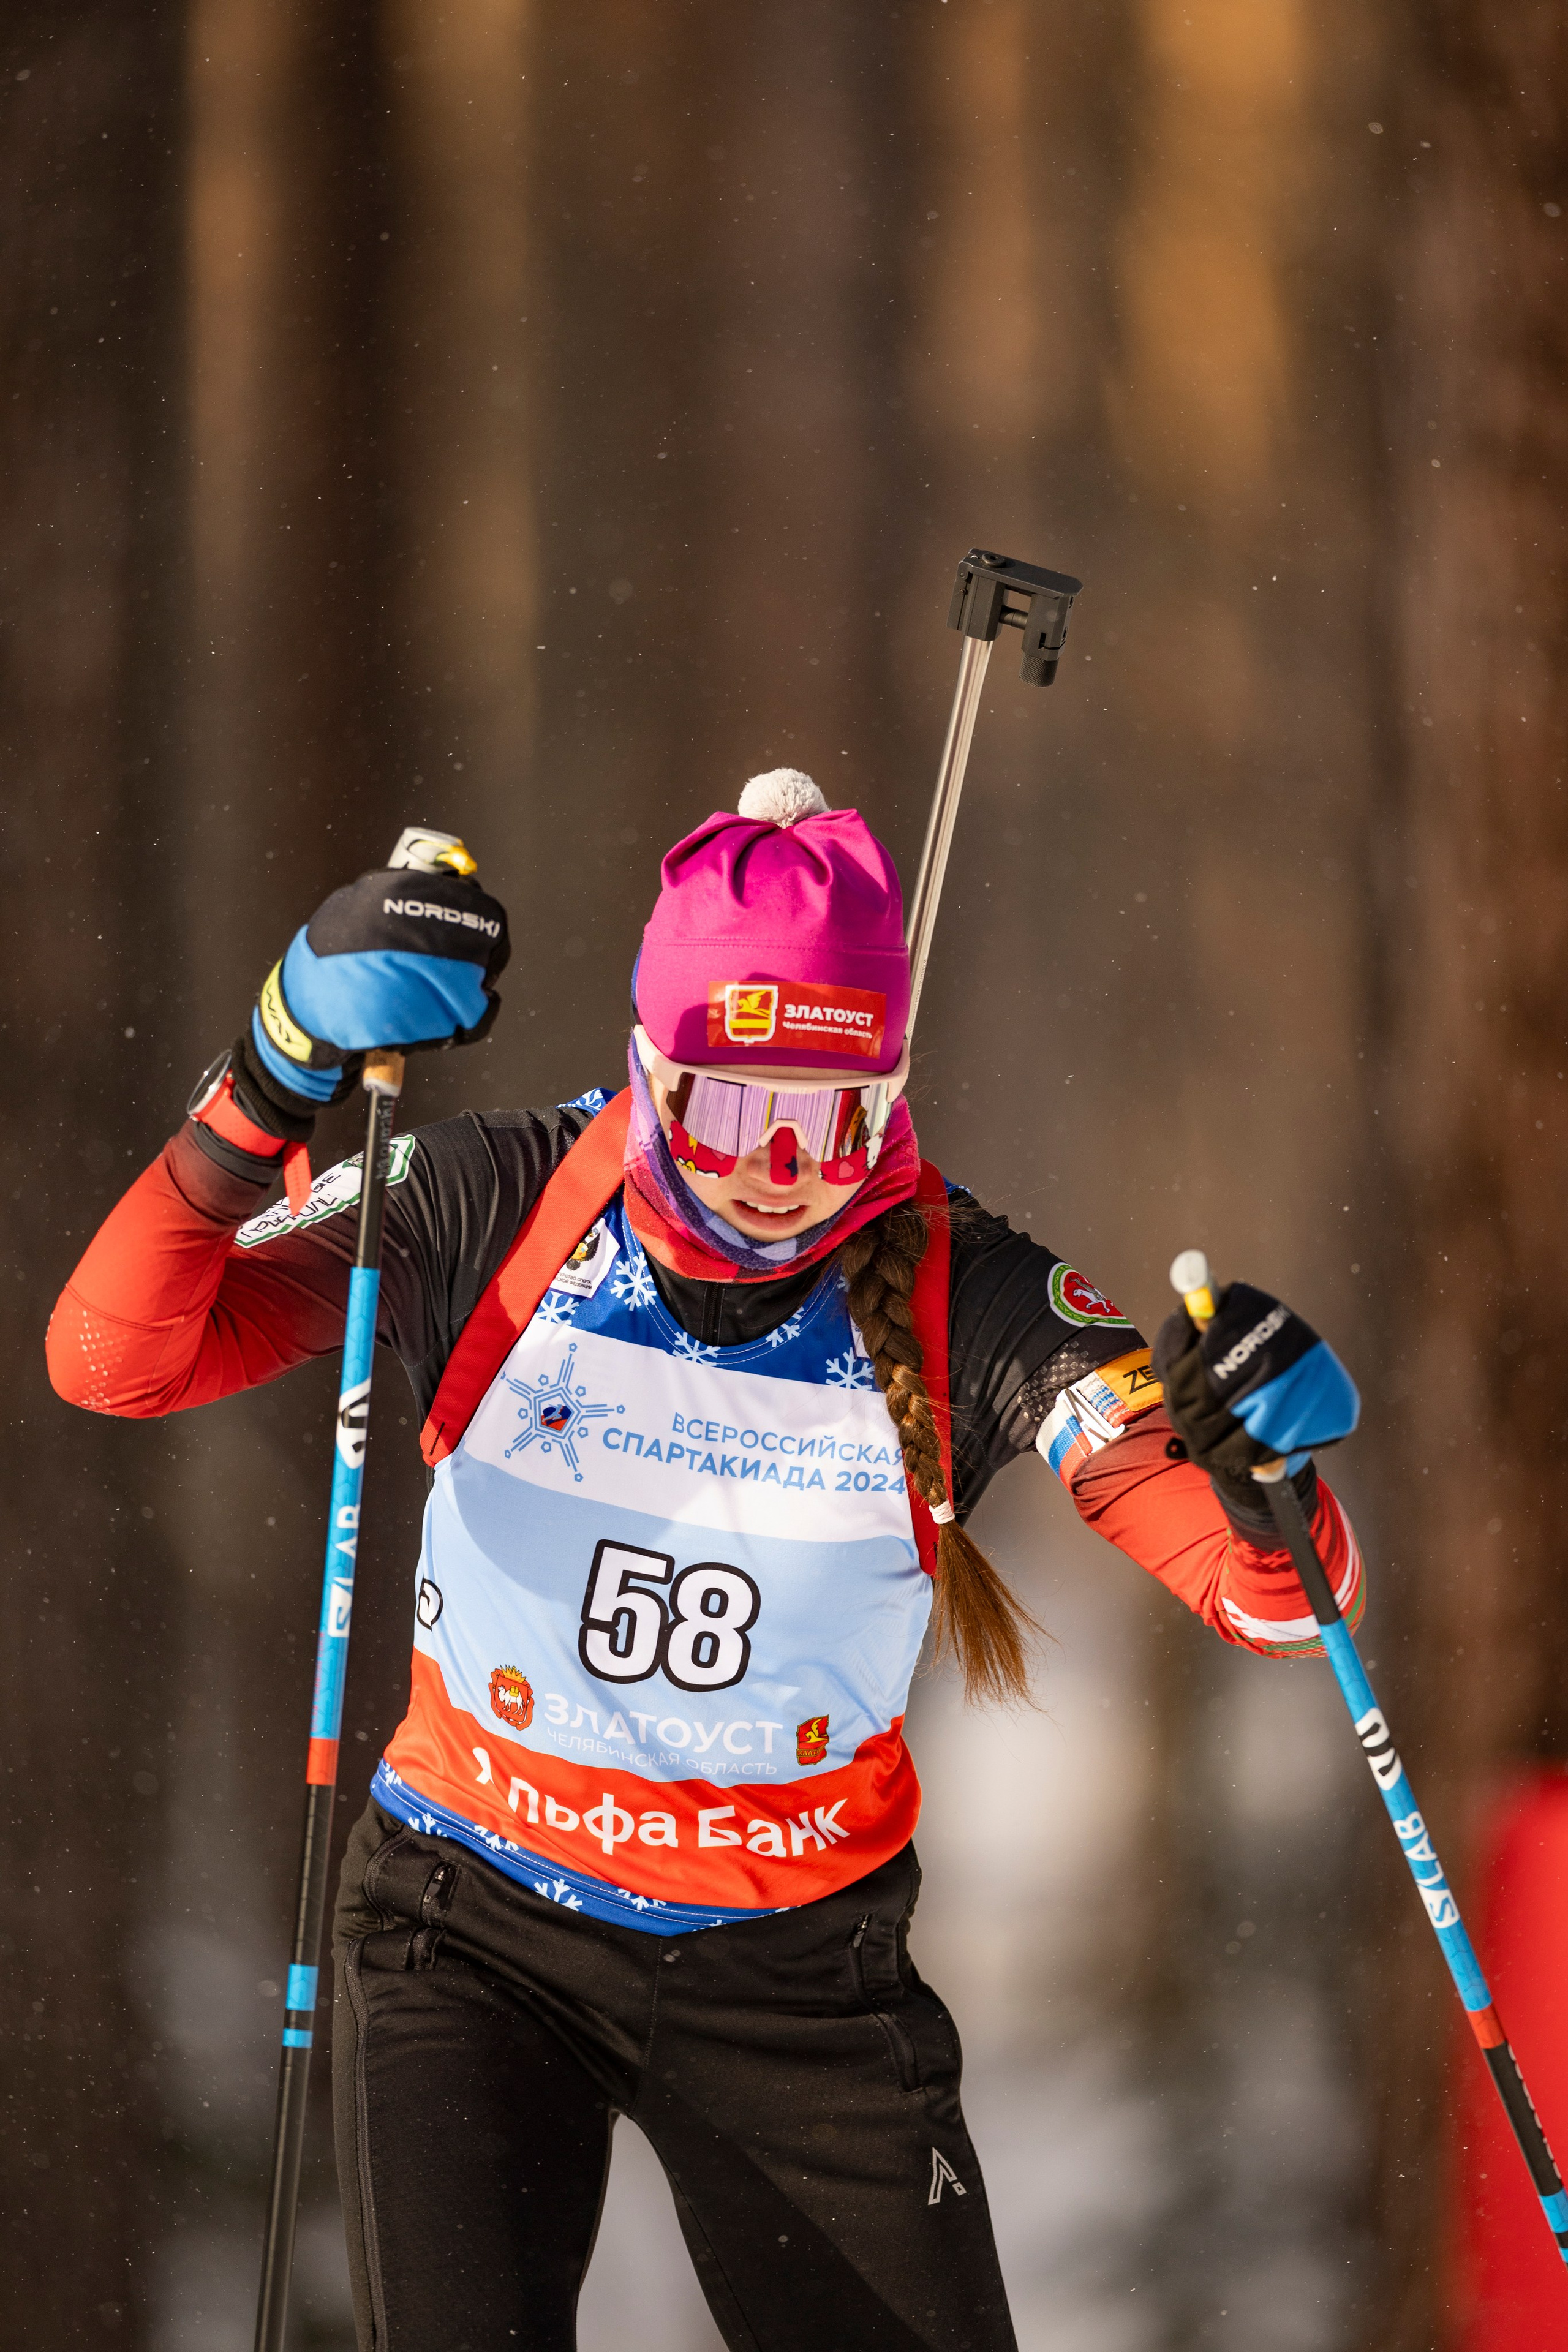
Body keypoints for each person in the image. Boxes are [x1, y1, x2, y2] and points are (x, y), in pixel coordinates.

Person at [48, 772, 1363, 2352]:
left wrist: (1272, 1472)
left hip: (793, 1975)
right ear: (650, 1072)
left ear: (886, 1103)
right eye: (729, 1105)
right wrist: (276, 1068)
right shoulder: (493, 1198)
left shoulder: (982, 1297)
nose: (773, 1166)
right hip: (476, 1931)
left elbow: (1275, 1608)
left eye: (828, 1117)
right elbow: (117, 1357)